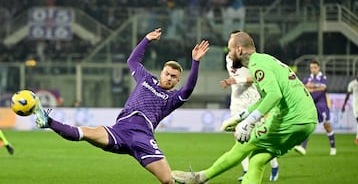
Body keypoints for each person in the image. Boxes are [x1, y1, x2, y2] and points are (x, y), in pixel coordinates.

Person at [33, 28, 210, 184]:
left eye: (173, 77)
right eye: (167, 73)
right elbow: (132, 61)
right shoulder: (146, 79)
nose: (169, 78)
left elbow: (188, 89)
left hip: (143, 137)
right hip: (121, 130)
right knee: (85, 132)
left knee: (167, 181)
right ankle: (47, 122)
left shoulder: (172, 98)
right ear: (162, 72)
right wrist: (146, 39)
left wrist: (195, 62)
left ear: (178, 79)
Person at [171, 31, 317, 184]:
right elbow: (266, 98)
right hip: (307, 121)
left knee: (243, 145)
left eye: (230, 50)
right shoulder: (265, 60)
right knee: (257, 159)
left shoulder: (256, 64)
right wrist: (239, 118)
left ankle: (200, 178)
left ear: (239, 50)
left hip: (292, 118)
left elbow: (275, 96)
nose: (228, 54)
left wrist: (249, 123)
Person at [220, 53, 279, 182]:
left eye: (232, 46)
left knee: (260, 137)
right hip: (236, 102)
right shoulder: (228, 59)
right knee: (238, 136)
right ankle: (246, 170)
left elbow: (255, 78)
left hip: (252, 101)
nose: (229, 50)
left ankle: (274, 165)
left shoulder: (250, 60)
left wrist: (236, 81)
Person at [294, 60, 336, 156]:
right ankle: (303, 148)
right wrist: (312, 88)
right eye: (311, 67)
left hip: (322, 105)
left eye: (315, 67)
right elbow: (303, 88)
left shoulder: (323, 77)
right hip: (311, 105)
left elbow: (323, 87)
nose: (313, 69)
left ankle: (333, 147)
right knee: (309, 125)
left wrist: (312, 87)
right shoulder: (307, 78)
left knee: (327, 125)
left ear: (319, 68)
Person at [341, 70, 358, 145]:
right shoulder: (352, 84)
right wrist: (343, 105)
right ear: (356, 75)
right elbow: (348, 95)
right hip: (356, 106)